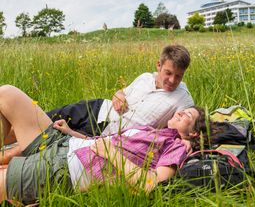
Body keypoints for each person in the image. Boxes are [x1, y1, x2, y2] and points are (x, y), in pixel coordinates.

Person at [0, 85, 211, 204]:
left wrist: (110, 152)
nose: (181, 111)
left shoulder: (176, 148)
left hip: (64, 169)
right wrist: (71, 132)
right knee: (7, 94)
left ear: (193, 132)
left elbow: (151, 185)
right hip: (64, 143)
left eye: (187, 116)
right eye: (184, 110)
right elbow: (102, 141)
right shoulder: (154, 131)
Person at [1, 44, 194, 164]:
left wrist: (188, 140)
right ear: (158, 66)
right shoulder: (145, 77)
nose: (172, 80)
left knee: (44, 135)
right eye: (168, 73)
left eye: (178, 76)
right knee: (37, 118)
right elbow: (121, 93)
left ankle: (9, 156)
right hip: (97, 109)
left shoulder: (182, 98)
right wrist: (118, 95)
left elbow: (191, 121)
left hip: (102, 134)